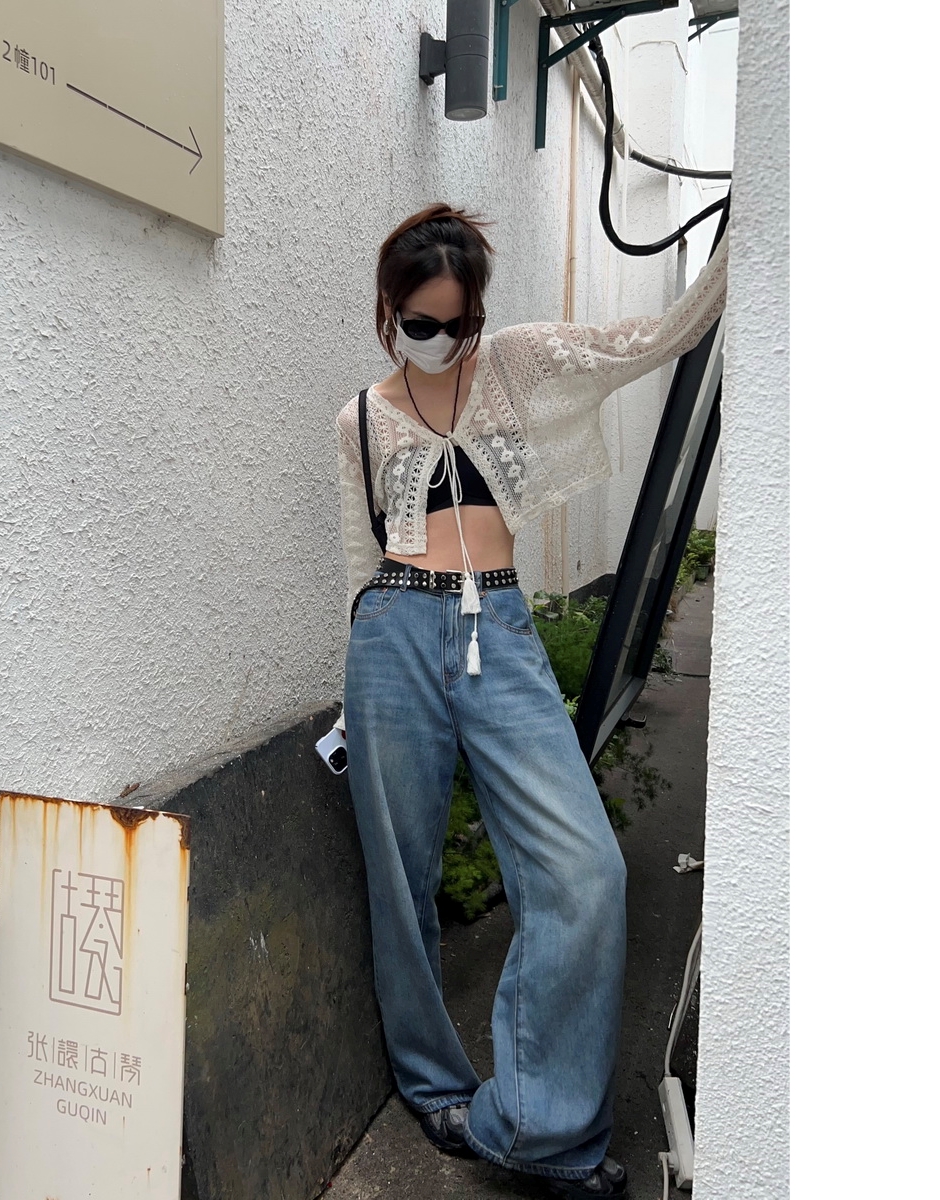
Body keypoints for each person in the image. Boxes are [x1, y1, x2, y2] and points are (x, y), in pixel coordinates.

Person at [333, 203, 728, 1198]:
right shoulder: (360, 420)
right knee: (400, 879)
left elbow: (657, 339)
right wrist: (357, 677)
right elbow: (357, 559)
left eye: (459, 321)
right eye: (420, 323)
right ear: (388, 310)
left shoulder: (514, 364)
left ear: (479, 312)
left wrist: (745, 242)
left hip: (498, 634)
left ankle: (534, 1125)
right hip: (390, 633)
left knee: (585, 871)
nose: (443, 340)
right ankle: (435, 1088)